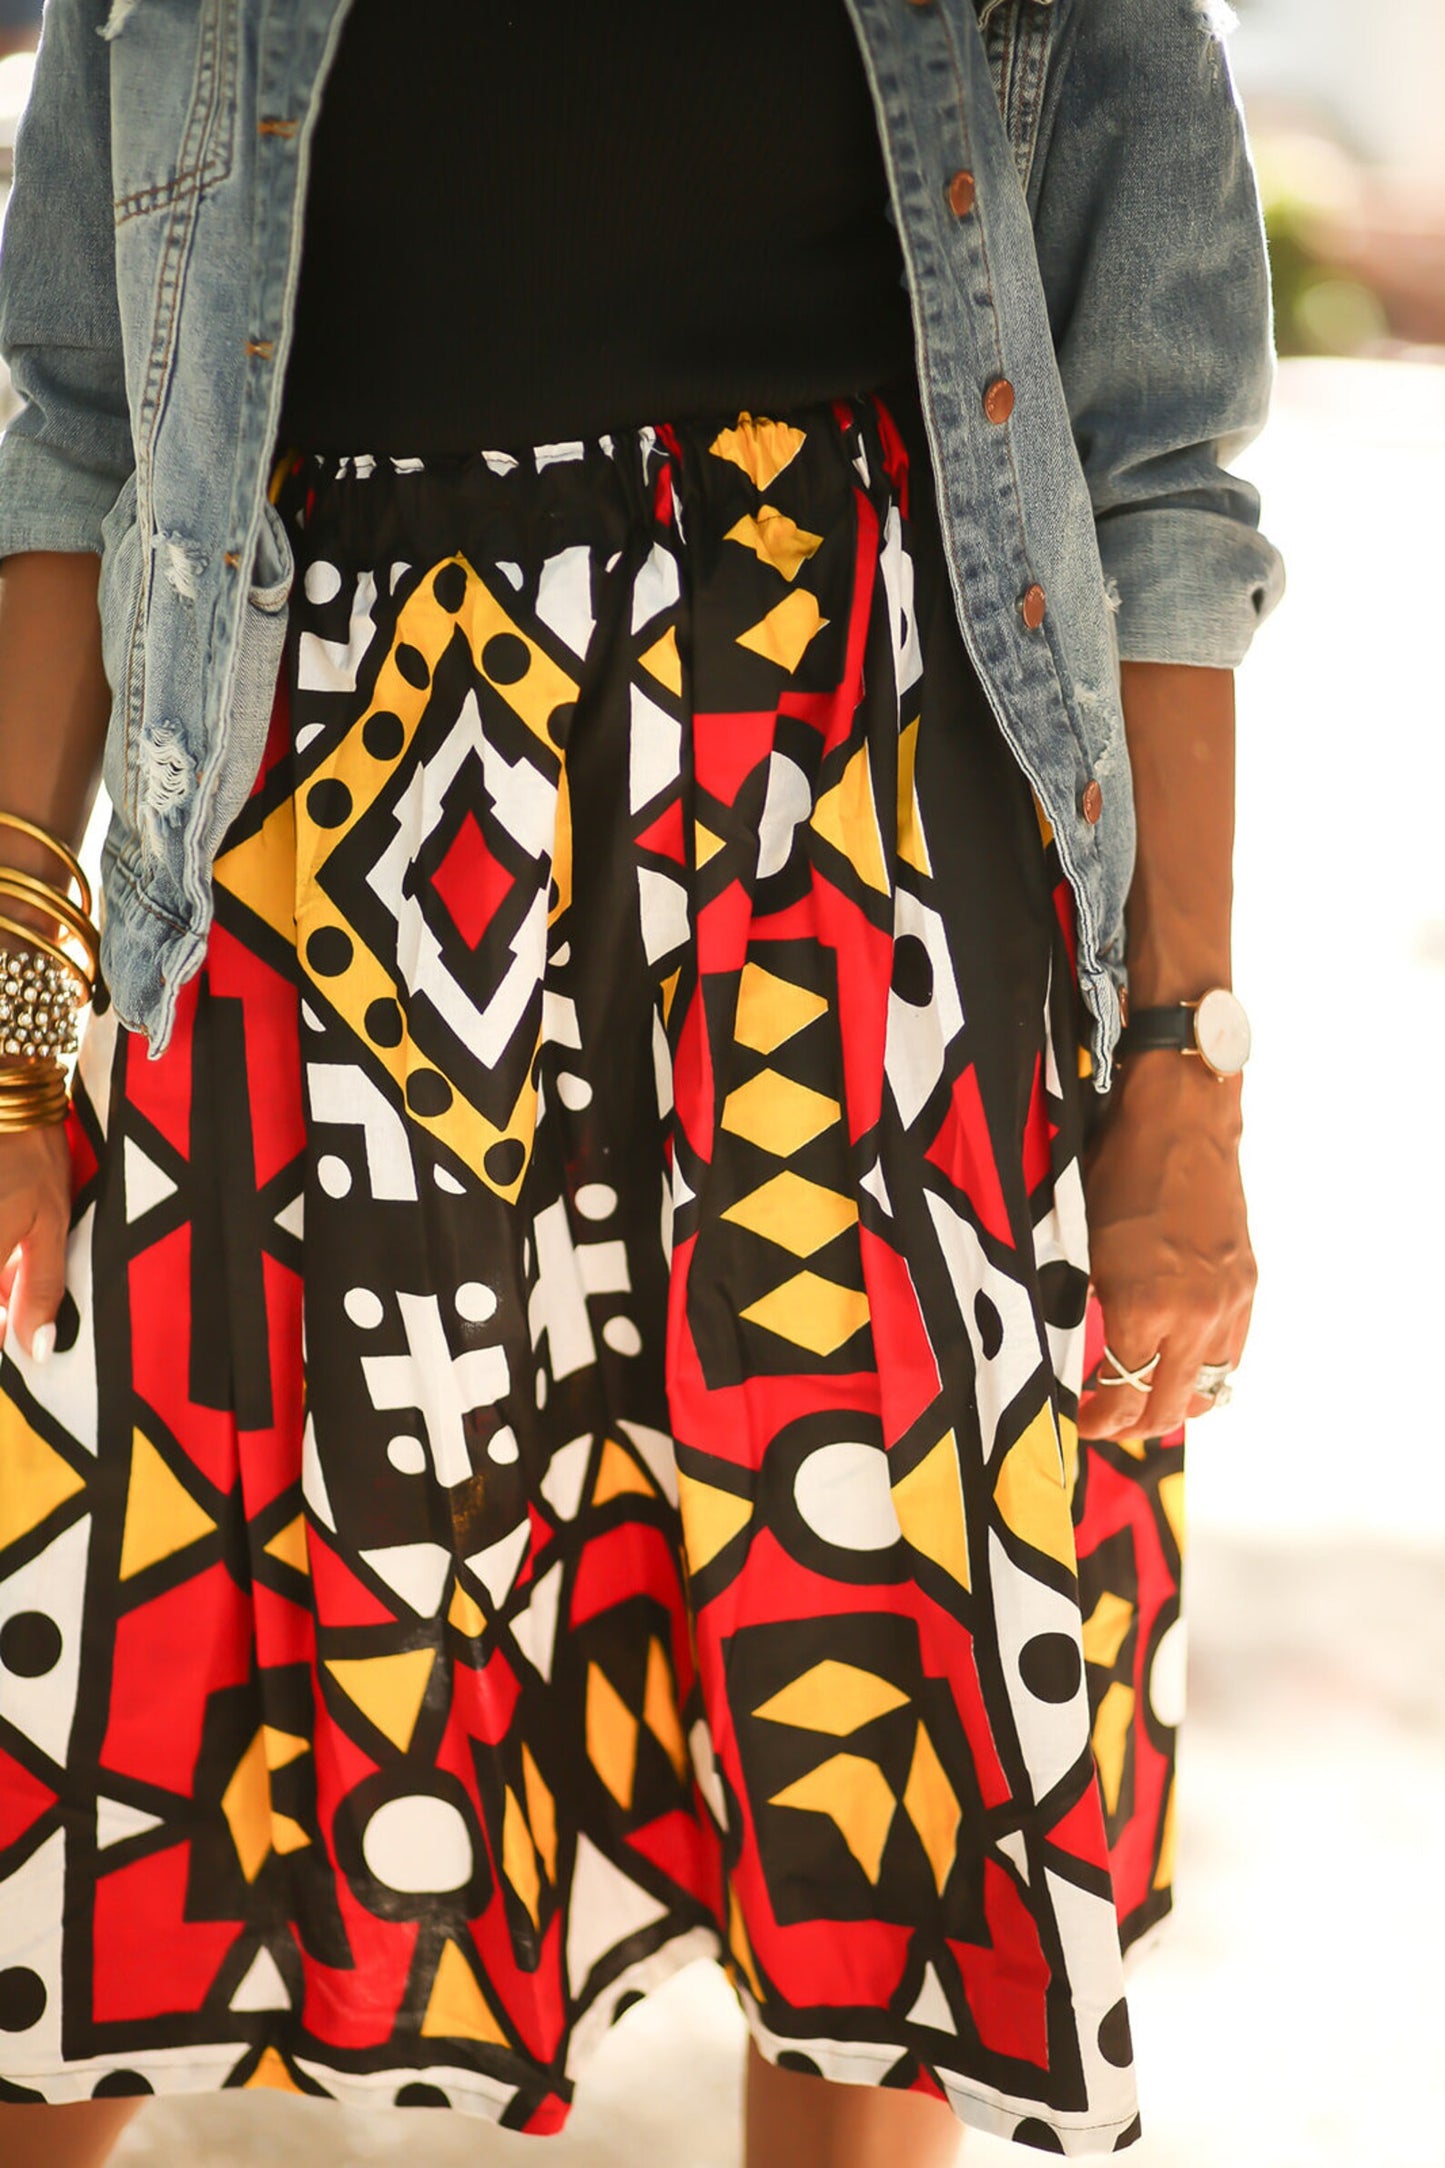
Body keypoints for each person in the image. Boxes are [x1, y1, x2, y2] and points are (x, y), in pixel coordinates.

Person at [0, 2, 1280, 2163]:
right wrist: (17, 1039)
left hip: (859, 845)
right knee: (121, 1751)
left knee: (870, 1762)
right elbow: (64, 426)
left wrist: (1183, 1062)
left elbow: (1158, 459)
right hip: (300, 858)